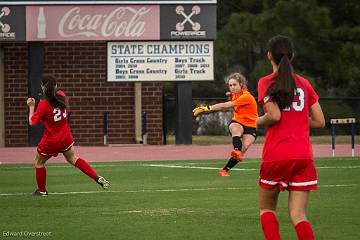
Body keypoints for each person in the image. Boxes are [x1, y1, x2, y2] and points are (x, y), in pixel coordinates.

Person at [256, 35, 325, 240]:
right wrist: (298, 121)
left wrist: (255, 122)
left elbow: (274, 116)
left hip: (276, 155)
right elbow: (320, 121)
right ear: (292, 56)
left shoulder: (266, 82)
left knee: (267, 210)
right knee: (298, 215)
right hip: (303, 156)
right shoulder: (304, 83)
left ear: (269, 55)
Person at [27, 75, 110, 196]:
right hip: (66, 137)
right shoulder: (62, 96)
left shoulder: (43, 104)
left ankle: (42, 191)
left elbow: (32, 122)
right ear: (55, 86)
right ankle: (96, 177)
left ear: (43, 87)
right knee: (73, 158)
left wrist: (31, 107)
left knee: (39, 162)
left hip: (51, 140)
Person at [193, 72, 258, 177]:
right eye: (230, 85)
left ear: (241, 84)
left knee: (243, 150)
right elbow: (232, 95)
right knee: (235, 128)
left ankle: (224, 170)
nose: (232, 87)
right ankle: (236, 150)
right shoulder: (236, 94)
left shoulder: (246, 97)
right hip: (238, 122)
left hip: (251, 126)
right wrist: (230, 94)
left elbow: (225, 106)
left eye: (234, 85)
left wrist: (206, 108)